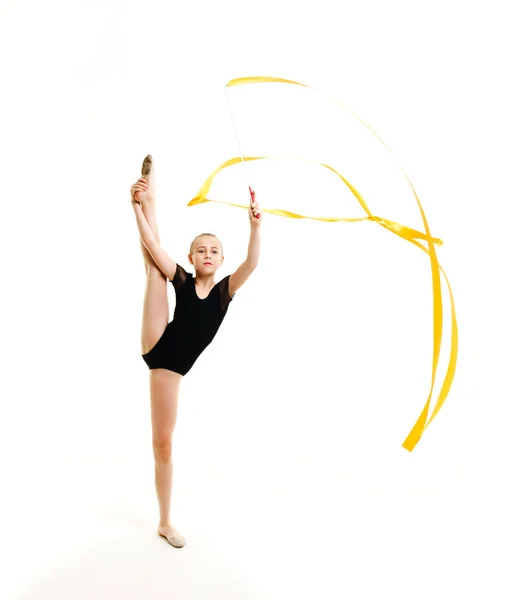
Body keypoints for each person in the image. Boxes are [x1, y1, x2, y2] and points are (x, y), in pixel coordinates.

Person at [130, 155, 262, 548]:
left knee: (162, 444)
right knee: (155, 267)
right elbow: (154, 246)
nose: (207, 254)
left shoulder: (224, 293)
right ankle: (148, 198)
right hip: (159, 345)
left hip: (171, 367)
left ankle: (163, 521)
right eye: (200, 250)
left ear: (221, 260)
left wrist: (255, 226)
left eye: (214, 250)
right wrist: (135, 208)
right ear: (191, 258)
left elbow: (253, 262)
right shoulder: (184, 281)